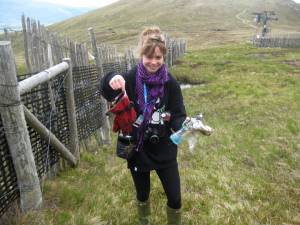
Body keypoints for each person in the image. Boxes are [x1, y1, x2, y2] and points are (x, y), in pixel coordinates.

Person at [100, 26, 186, 225]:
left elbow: (178, 114)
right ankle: (143, 221)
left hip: (165, 149)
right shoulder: (129, 78)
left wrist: (184, 124)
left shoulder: (170, 82)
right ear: (141, 55)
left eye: (158, 57)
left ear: (164, 56)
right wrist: (111, 78)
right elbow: (106, 89)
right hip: (138, 150)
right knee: (142, 195)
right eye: (149, 57)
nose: (154, 62)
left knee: (175, 198)